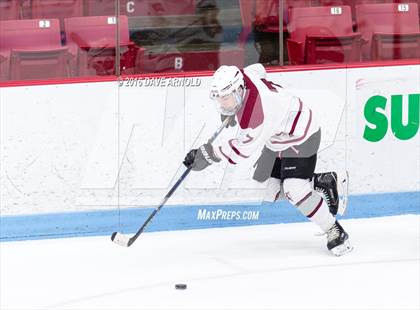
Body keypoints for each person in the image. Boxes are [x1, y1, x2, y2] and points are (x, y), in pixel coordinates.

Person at [183, 64, 353, 256]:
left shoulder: (257, 115)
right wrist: (231, 109)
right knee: (263, 190)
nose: (222, 103)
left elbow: (240, 151)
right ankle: (322, 181)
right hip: (276, 138)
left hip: (301, 135)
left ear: (239, 90)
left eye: (225, 98)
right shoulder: (243, 76)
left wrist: (207, 154)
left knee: (294, 191)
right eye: (219, 99)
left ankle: (334, 230)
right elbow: (258, 69)